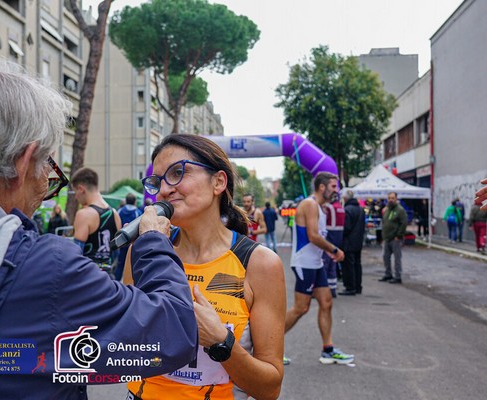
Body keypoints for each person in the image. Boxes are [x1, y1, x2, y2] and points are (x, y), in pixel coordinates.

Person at [0, 58, 198, 398]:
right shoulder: (47, 270)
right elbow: (172, 333)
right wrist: (153, 240)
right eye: (47, 165)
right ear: (23, 161)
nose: (46, 182)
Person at [125, 134, 286, 399]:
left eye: (178, 173)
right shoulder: (143, 252)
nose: (164, 190)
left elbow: (269, 388)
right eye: (157, 181)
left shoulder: (259, 264)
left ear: (218, 182)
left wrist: (220, 342)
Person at [284, 172, 354, 365]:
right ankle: (267, 347)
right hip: (304, 264)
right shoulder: (309, 204)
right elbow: (313, 236)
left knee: (326, 302)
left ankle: (328, 350)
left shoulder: (321, 208)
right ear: (322, 187)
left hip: (316, 264)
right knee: (301, 308)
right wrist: (334, 249)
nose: (336, 190)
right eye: (333, 186)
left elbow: (316, 238)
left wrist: (328, 252)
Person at [71, 167, 121, 277]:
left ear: (81, 189)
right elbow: (117, 253)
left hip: (88, 278)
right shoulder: (115, 214)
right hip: (109, 279)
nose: (75, 197)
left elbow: (75, 254)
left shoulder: (84, 214)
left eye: (75, 192)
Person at [339, 190, 366, 295]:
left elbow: (346, 227)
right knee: (357, 264)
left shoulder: (347, 210)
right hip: (358, 241)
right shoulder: (360, 209)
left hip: (348, 242)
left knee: (348, 265)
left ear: (345, 198)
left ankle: (350, 287)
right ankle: (358, 286)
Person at [379, 192, 408, 284]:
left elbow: (403, 223)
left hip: (395, 238)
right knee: (385, 257)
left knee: (397, 258)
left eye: (392, 198)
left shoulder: (400, 210)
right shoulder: (387, 210)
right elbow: (384, 223)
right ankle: (388, 274)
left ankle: (397, 276)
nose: (390, 200)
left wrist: (399, 235)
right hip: (387, 238)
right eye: (389, 198)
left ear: (396, 199)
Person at [115, 193, 142, 280]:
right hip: (133, 243)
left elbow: (117, 226)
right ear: (135, 202)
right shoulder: (138, 213)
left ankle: (116, 283)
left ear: (126, 201)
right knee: (133, 265)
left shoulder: (119, 211)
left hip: (121, 241)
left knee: (120, 264)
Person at [322, 197, 345, 297]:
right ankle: (332, 288)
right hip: (338, 237)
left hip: (329, 238)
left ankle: (324, 289)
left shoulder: (328, 207)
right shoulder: (340, 207)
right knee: (333, 265)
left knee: (325, 265)